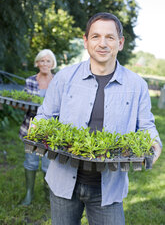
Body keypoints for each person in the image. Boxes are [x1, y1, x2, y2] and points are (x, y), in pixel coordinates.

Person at [34, 13, 162, 225]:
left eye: (110, 37)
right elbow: (45, 116)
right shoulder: (65, 78)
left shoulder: (136, 85)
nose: (102, 43)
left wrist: (154, 145)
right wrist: (38, 131)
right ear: (86, 41)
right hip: (63, 182)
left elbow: (147, 126)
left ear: (120, 43)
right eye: (96, 36)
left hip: (109, 188)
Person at [19, 49, 57, 206]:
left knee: (49, 163)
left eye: (48, 61)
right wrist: (25, 103)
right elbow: (21, 103)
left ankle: (48, 193)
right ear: (37, 63)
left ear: (53, 64)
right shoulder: (30, 81)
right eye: (42, 60)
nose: (45, 63)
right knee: (31, 160)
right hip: (31, 127)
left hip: (51, 130)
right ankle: (29, 194)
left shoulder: (58, 81)